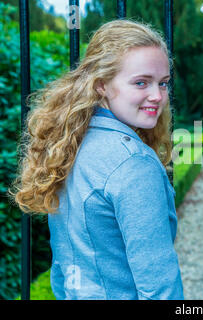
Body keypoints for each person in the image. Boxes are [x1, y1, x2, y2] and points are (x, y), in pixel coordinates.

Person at [11, 20, 184, 300]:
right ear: (102, 84)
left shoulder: (68, 145)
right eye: (141, 82)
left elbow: (64, 266)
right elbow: (160, 287)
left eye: (163, 83)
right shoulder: (133, 163)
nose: (158, 96)